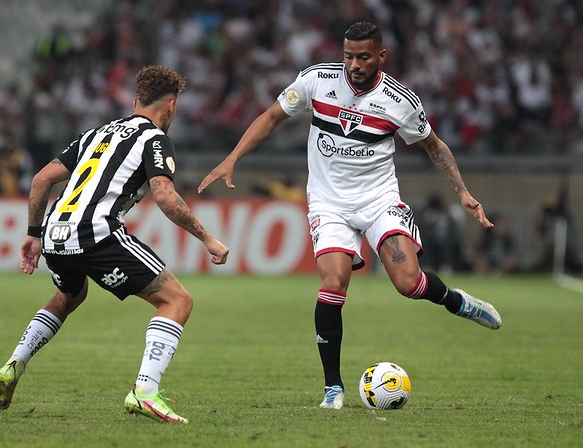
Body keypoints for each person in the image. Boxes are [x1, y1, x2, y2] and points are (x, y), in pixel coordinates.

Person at [198, 21, 501, 410]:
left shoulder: (400, 102)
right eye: (348, 56)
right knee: (334, 281)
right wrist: (232, 159)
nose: (353, 64)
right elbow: (271, 116)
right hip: (328, 203)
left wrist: (462, 192)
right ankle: (332, 389)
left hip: (379, 201)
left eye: (362, 57)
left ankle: (458, 302)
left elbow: (434, 147)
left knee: (408, 283)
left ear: (380, 56)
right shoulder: (316, 80)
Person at [0, 65, 230, 424]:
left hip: (56, 232)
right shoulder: (155, 139)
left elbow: (41, 180)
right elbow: (164, 195)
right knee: (177, 300)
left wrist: (34, 233)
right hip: (95, 232)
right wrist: (208, 239)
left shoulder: (95, 133)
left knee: (68, 296)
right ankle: (145, 392)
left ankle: (14, 364)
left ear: (135, 101)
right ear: (172, 107)